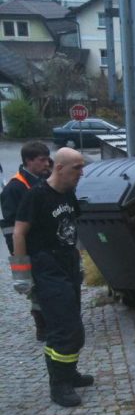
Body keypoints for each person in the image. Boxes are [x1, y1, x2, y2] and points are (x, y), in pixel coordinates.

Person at [11, 147, 92, 407]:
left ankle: (69, 372)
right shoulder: (36, 196)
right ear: (59, 168)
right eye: (77, 168)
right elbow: (19, 233)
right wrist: (21, 274)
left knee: (74, 325)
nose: (81, 173)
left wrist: (80, 260)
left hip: (67, 264)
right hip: (47, 267)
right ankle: (59, 385)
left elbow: (72, 227)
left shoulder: (68, 193)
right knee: (64, 328)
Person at [1, 141, 52, 340]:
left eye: (48, 159)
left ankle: (51, 322)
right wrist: (18, 255)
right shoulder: (14, 188)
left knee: (48, 286)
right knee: (36, 289)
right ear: (28, 161)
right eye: (42, 160)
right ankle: (42, 327)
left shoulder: (44, 179)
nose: (47, 163)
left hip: (47, 246)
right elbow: (10, 227)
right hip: (29, 248)